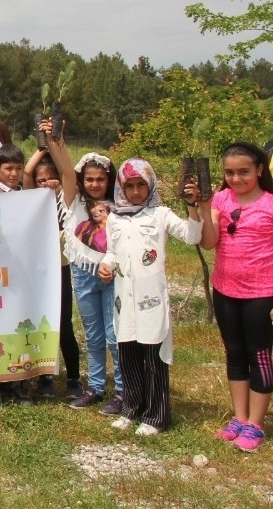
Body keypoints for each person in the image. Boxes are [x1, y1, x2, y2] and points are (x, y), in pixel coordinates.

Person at [99, 158, 203, 436]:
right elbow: (112, 251)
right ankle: (131, 408)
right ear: (121, 187)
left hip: (151, 298)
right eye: (129, 185)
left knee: (154, 355)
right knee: (128, 353)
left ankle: (156, 416)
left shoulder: (161, 214)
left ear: (150, 185)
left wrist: (193, 207)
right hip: (124, 298)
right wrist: (106, 266)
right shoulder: (114, 217)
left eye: (140, 185)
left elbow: (192, 236)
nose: (135, 191)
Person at [43, 119, 124, 414]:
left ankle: (124, 391)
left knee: (114, 334)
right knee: (93, 333)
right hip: (82, 273)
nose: (94, 184)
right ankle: (97, 387)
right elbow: (65, 169)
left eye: (100, 179)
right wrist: (57, 140)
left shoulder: (119, 206)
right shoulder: (73, 200)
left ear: (109, 180)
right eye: (89, 179)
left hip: (113, 275)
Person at [200, 142, 273, 452]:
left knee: (260, 356)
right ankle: (239, 418)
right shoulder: (219, 199)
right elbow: (208, 242)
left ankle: (256, 424)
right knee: (235, 353)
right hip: (225, 289)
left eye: (243, 171)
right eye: (229, 172)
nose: (236, 178)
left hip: (262, 293)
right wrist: (203, 207)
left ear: (260, 169)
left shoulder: (270, 204)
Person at [23, 153, 82, 399]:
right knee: (40, 323)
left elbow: (70, 175)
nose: (45, 183)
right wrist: (41, 147)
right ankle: (45, 377)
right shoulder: (30, 202)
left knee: (64, 326)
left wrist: (54, 147)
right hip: (36, 273)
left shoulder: (66, 203)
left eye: (51, 178)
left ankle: (73, 379)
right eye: (41, 180)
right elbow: (27, 173)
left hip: (60, 271)